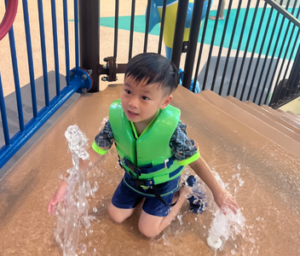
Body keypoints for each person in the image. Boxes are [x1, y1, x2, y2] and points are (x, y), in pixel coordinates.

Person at [48, 53, 239, 238]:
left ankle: (183, 193)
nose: (132, 103)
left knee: (147, 230)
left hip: (163, 183)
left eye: (144, 98)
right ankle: (141, 197)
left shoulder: (171, 130)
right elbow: (94, 152)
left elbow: (195, 160)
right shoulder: (116, 121)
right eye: (128, 91)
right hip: (133, 178)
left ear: (165, 102)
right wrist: (67, 183)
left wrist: (218, 192)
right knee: (115, 215)